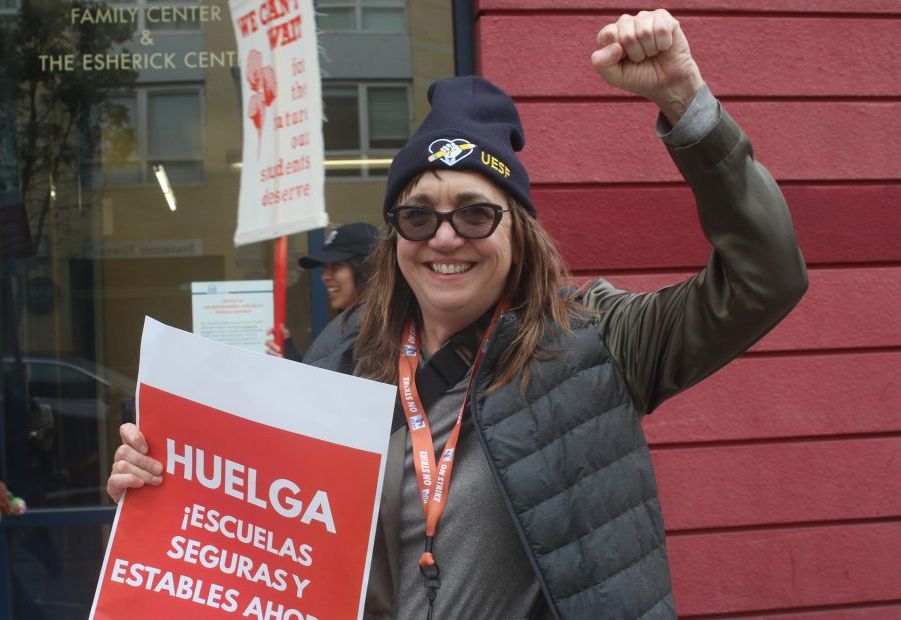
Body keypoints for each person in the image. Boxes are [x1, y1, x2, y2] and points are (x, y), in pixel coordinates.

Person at [108, 9, 807, 619]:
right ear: (396, 236)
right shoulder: (344, 360)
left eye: (475, 212)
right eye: (419, 215)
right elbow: (258, 530)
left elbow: (764, 278)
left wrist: (687, 104)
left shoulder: (596, 340)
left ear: (518, 230)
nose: (445, 237)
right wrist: (162, 489)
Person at [265, 221, 378, 360]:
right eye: (325, 267)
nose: (325, 276)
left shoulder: (381, 330)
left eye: (336, 266)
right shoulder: (355, 323)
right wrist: (289, 357)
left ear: (366, 267)